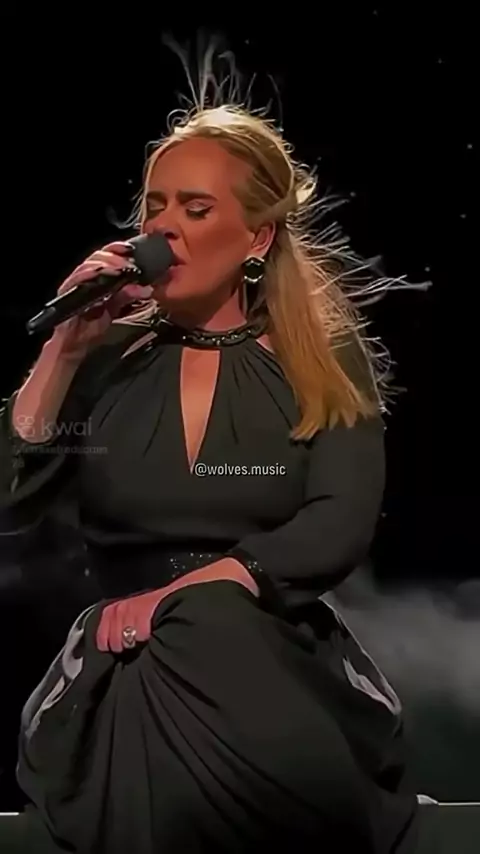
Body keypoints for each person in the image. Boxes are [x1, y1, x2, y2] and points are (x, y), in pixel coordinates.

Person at [0, 94, 420, 853]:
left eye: (195, 209)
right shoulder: (105, 360)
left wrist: (191, 593)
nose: (163, 227)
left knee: (210, 623)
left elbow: (338, 522)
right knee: (165, 661)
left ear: (257, 235)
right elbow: (9, 502)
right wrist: (64, 350)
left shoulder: (319, 360)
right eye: (155, 206)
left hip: (270, 656)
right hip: (123, 657)